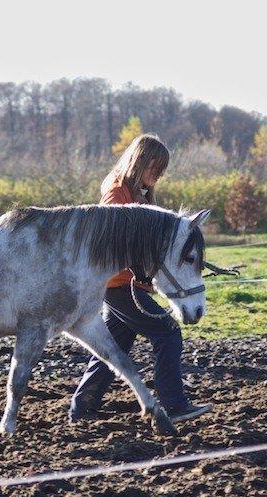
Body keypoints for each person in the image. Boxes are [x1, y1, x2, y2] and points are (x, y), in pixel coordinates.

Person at [69, 134, 213, 424]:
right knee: (168, 333)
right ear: (140, 161)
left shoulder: (139, 194)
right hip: (118, 284)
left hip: (123, 284)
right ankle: (174, 404)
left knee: (113, 346)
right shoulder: (116, 193)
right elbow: (113, 240)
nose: (157, 176)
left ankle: (82, 407)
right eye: (154, 168)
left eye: (161, 171)